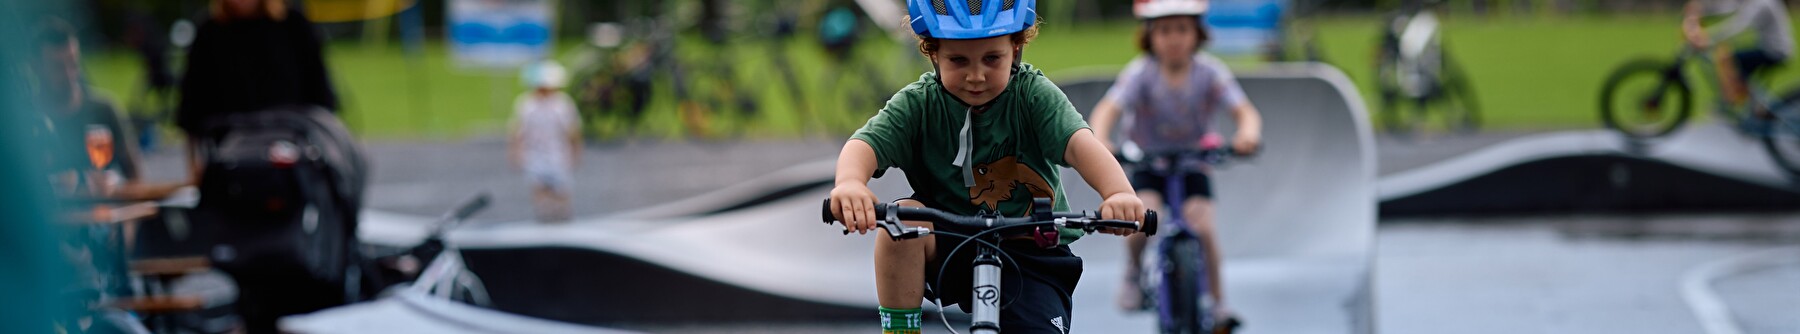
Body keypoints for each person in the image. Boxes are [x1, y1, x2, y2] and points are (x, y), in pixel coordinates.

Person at [827, 1, 1147, 332]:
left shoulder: (1032, 96)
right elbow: (864, 145)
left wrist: (1118, 192)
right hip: (953, 243)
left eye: (992, 59)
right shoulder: (919, 104)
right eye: (958, 60)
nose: (976, 76)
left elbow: (1082, 146)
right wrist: (850, 183)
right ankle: (901, 330)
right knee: (903, 220)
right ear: (933, 53)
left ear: (1017, 46)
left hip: (1031, 250)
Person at [1085, 0, 1264, 322]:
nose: (1174, 39)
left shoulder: (1210, 73)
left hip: (1193, 163)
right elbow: (1107, 109)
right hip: (1148, 163)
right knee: (1140, 221)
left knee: (1205, 228)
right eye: (1164, 30)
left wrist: (1247, 135)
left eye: (1182, 29)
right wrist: (1101, 137)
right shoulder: (1141, 74)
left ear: (1197, 34)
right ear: (1150, 37)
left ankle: (1218, 302)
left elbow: (1244, 111)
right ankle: (1134, 272)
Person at [176, 0, 338, 181]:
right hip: (231, 159)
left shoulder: (293, 25)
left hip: (292, 153)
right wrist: (193, 166)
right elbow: (191, 109)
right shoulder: (210, 31)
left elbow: (321, 98)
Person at [33, 18, 186, 201]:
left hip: (104, 220)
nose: (69, 74)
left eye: (73, 64)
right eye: (58, 67)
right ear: (37, 67)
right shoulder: (27, 119)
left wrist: (114, 187)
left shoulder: (103, 110)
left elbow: (136, 179)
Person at [1684, 0, 1793, 111]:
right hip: (1768, 47)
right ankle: (1746, 100)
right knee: (1734, 63)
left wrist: (1710, 39)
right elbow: (1729, 8)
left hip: (1776, 51)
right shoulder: (1755, 2)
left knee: (1733, 60)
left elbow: (1740, 25)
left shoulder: (1763, 3)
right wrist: (1701, 9)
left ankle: (1750, 102)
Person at [509, 60, 582, 223]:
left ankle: (563, 216)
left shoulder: (562, 104)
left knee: (561, 188)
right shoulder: (527, 104)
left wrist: (576, 151)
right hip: (535, 153)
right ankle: (544, 215)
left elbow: (572, 130)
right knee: (539, 187)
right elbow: (518, 130)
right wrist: (516, 151)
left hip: (557, 153)